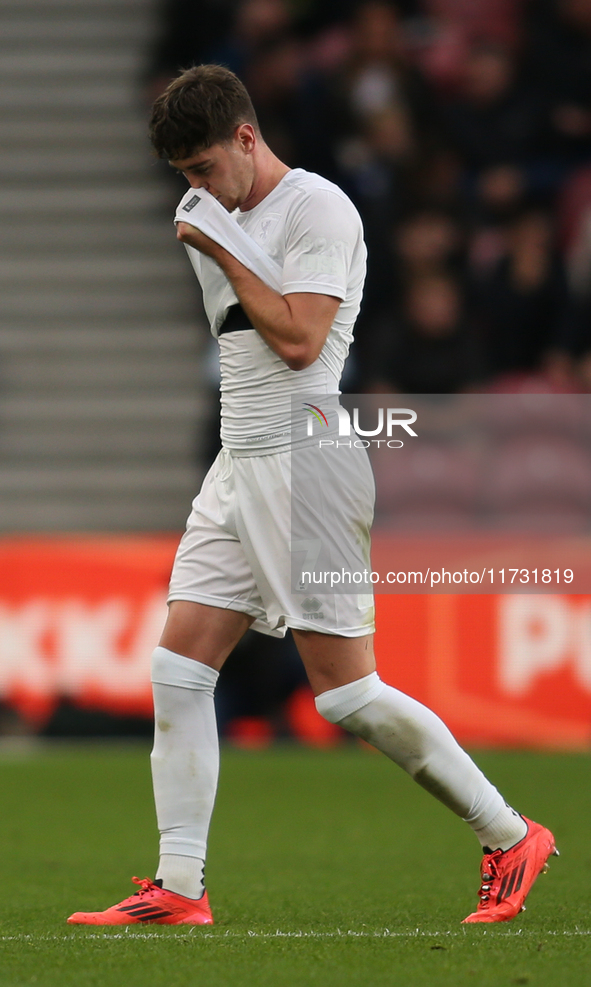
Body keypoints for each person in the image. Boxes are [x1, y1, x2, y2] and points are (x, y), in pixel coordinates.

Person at [67, 64, 557, 928]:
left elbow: (299, 341)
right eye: (183, 177)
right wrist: (216, 220)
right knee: (179, 669)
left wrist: (216, 237)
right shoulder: (220, 210)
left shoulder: (318, 210)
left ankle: (509, 833)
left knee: (343, 695)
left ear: (247, 139)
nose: (195, 190)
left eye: (205, 168)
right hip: (240, 459)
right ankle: (179, 885)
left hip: (308, 458)